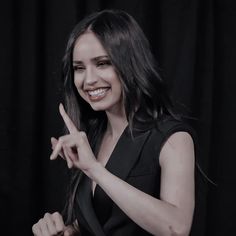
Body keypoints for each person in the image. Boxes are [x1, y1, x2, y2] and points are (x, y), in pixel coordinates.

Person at [32, 9, 196, 236]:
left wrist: (95, 170)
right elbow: (103, 222)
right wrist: (69, 231)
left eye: (102, 63)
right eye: (79, 68)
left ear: (131, 63)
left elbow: (177, 228)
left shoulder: (173, 138)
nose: (88, 80)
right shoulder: (91, 137)